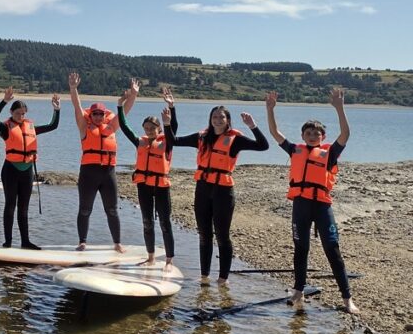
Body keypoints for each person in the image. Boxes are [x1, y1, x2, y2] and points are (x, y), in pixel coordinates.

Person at [265, 88, 358, 313]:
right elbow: (275, 133)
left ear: (322, 137)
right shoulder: (295, 150)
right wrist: (270, 109)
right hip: (301, 205)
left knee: (332, 249)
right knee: (301, 248)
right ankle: (299, 291)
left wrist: (339, 108)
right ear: (303, 136)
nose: (313, 135)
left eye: (317, 133)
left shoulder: (330, 153)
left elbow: (345, 134)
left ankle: (347, 299)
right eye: (308, 133)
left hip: (322, 206)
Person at [172, 100, 269, 285]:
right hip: (202, 188)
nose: (217, 120)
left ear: (227, 120)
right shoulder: (201, 137)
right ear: (210, 119)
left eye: (221, 117)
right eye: (215, 117)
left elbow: (263, 146)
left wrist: (253, 126)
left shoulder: (235, 139)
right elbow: (173, 140)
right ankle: (204, 277)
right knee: (204, 234)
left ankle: (223, 279)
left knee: (222, 235)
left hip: (223, 191)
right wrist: (171, 115)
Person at [0, 87, 61, 249]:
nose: (21, 116)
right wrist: (4, 100)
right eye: (17, 113)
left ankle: (25, 242)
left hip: (27, 171)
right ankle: (7, 242)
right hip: (10, 170)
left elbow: (53, 126)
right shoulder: (5, 128)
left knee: (23, 208)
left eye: (23, 114)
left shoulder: (31, 127)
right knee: (10, 205)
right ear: (12, 112)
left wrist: (56, 109)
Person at [119, 86, 178, 267]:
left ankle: (169, 260)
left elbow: (173, 128)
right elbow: (124, 127)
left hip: (161, 186)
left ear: (159, 128)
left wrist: (172, 108)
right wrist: (120, 106)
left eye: (152, 128)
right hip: (143, 185)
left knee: (165, 223)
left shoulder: (167, 142)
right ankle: (151, 257)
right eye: (146, 128)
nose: (149, 131)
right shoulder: (140, 142)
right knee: (147, 222)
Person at [70, 73, 128, 252]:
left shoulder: (112, 127)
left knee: (112, 209)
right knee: (85, 209)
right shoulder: (84, 126)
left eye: (100, 114)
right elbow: (77, 107)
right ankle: (82, 242)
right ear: (91, 115)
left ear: (105, 115)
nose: (97, 116)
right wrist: (73, 89)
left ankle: (117, 243)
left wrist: (132, 95)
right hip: (88, 172)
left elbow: (125, 112)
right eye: (94, 114)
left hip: (108, 172)